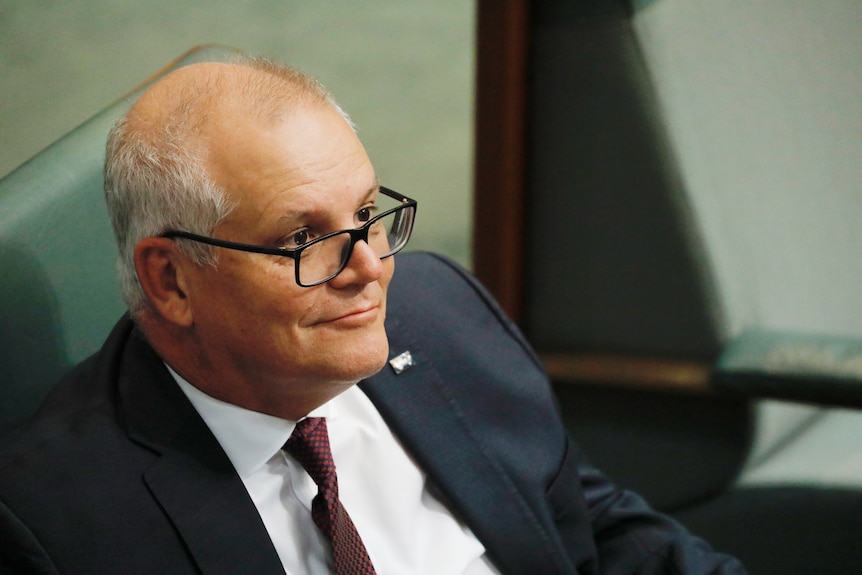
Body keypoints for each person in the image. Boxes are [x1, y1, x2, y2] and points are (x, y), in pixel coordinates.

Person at [0, 56, 746, 574]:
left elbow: (593, 529)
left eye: (366, 214)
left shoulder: (444, 318)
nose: (369, 266)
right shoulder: (58, 525)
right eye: (303, 238)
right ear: (171, 280)